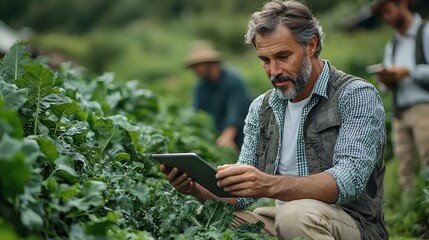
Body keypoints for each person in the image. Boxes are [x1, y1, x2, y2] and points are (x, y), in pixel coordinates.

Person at [162, 1, 388, 239]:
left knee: (294, 215)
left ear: (311, 45)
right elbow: (241, 197)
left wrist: (268, 184)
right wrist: (196, 189)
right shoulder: (263, 107)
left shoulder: (355, 95)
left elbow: (348, 180)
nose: (274, 70)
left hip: (352, 223)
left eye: (283, 56)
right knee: (207, 217)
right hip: (287, 221)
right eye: (265, 60)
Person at [371, 0, 429, 195]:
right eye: (383, 15)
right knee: (405, 169)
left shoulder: (425, 32)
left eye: (388, 11)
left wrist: (408, 71)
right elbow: (384, 88)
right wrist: (387, 78)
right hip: (399, 113)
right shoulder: (393, 44)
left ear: (402, 3)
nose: (386, 18)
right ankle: (410, 211)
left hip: (424, 108)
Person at [185, 40, 252, 151]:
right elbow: (197, 112)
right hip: (217, 136)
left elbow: (236, 112)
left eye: (198, 66)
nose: (196, 70)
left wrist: (227, 136)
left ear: (210, 64)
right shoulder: (201, 86)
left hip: (241, 135)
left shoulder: (233, 80)